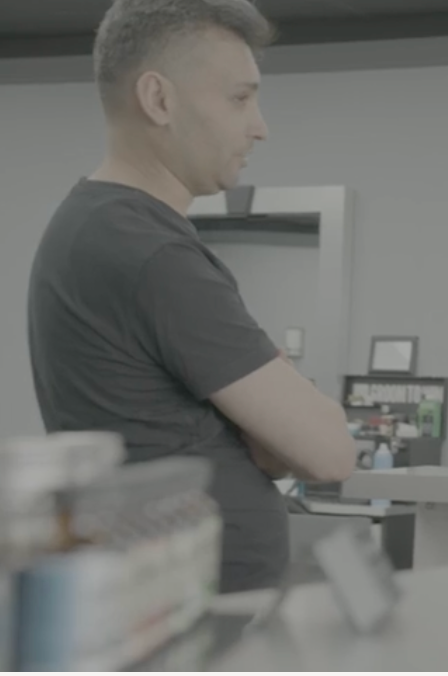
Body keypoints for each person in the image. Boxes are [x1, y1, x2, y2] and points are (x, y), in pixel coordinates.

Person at [26, 0, 356, 593]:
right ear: (158, 99)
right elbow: (328, 452)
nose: (260, 125)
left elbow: (286, 451)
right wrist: (273, 422)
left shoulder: (102, 227)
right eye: (239, 98)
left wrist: (272, 434)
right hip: (200, 610)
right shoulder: (146, 249)